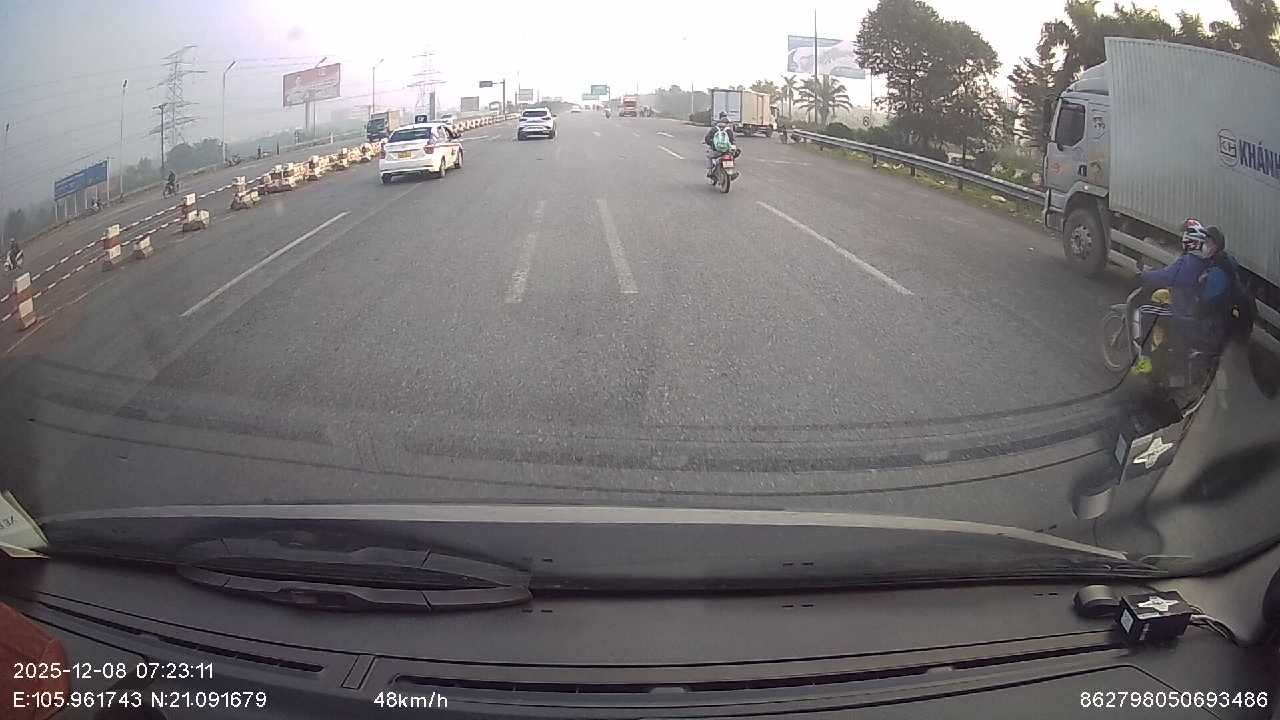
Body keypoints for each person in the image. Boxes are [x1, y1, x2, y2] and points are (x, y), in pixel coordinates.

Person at [704, 112, 737, 178]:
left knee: (709, 156)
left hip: (716, 151)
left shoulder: (714, 129)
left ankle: (710, 171)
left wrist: (711, 144)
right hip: (726, 151)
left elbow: (707, 139)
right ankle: (730, 173)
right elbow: (732, 141)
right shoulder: (728, 130)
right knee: (730, 157)